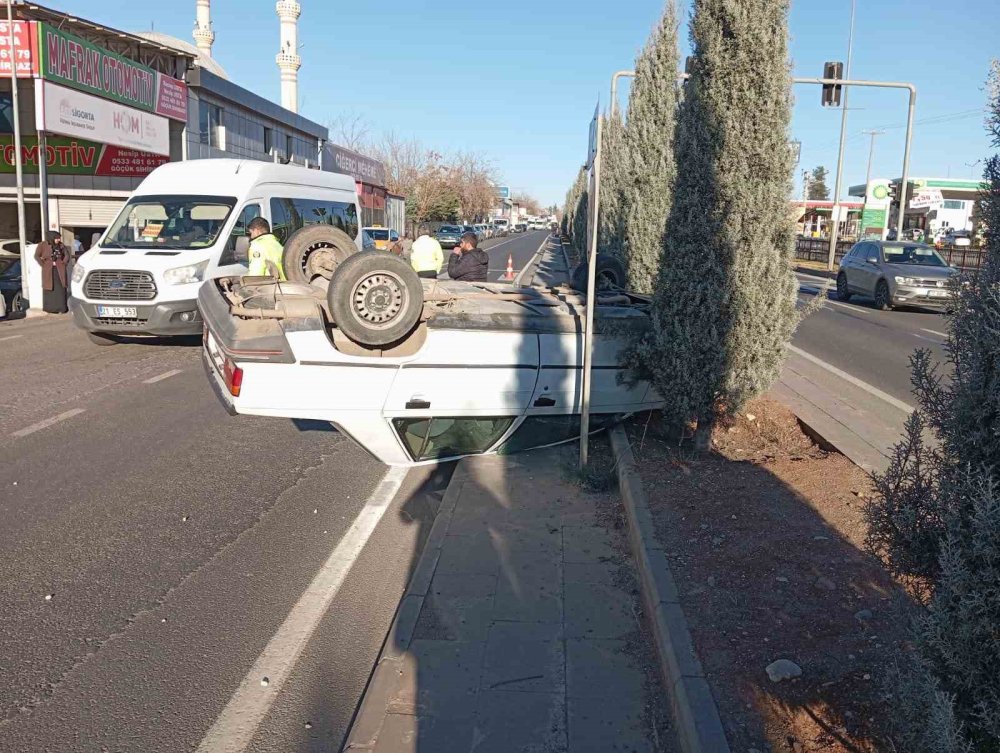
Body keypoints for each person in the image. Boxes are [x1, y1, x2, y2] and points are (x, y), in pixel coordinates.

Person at [34, 231, 69, 313]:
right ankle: (50, 308)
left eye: (59, 238)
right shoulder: (42, 245)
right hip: (48, 269)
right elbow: (36, 256)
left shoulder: (61, 245)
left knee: (60, 287)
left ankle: (61, 308)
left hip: (59, 269)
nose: (58, 240)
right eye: (57, 238)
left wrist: (63, 263)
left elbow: (66, 255)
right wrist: (43, 265)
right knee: (49, 287)